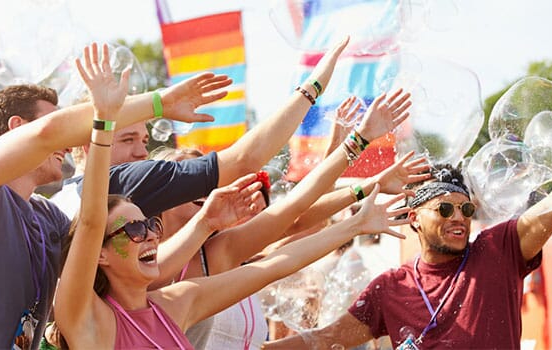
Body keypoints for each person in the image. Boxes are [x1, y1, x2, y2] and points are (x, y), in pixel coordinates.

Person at [54, 44, 414, 349]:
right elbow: (89, 221)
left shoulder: (176, 303)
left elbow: (275, 263)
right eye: (132, 230)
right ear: (98, 254)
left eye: (147, 225)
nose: (148, 234)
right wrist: (103, 120)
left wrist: (354, 225)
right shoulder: (87, 318)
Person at [0, 41, 233, 348]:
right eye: (71, 132)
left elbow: (119, 254)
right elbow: (48, 133)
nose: (70, 145)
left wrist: (206, 224)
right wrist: (157, 103)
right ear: (17, 129)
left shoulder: (48, 217)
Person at [265, 126, 552, 349]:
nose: (459, 218)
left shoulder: (497, 250)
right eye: (445, 210)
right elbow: (326, 338)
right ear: (414, 218)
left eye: (466, 210)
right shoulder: (390, 287)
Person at [149, 93, 425, 349]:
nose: (201, 190)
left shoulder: (222, 254)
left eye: (205, 183)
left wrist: (356, 165)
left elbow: (299, 217)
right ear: (160, 194)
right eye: (187, 181)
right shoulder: (145, 267)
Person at [50, 37, 353, 221]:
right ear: (90, 143)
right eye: (128, 139)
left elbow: (290, 224)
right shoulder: (120, 181)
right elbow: (244, 160)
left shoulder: (57, 201)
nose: (143, 151)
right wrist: (312, 89)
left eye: (143, 139)